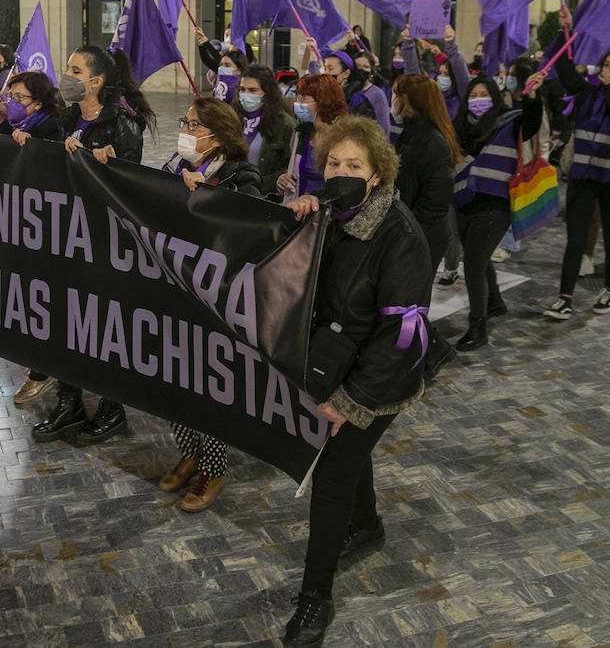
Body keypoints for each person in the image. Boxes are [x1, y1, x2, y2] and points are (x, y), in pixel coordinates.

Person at [279, 116, 437, 647]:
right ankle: (367, 526)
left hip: (378, 378)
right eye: (333, 164)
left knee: (330, 475)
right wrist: (296, 220)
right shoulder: (328, 212)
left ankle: (314, 596)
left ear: (377, 175)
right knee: (350, 458)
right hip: (333, 361)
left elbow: (401, 335)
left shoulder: (399, 235)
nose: (340, 173)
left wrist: (352, 402)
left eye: (354, 166)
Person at [33, 46, 153, 445]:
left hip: (103, 242)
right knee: (63, 322)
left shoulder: (122, 123)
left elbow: (129, 190)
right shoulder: (66, 117)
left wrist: (104, 164)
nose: (66, 75)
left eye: (74, 69)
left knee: (101, 326)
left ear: (96, 82)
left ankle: (111, 407)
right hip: (65, 235)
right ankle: (69, 402)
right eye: (67, 67)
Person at [158, 98, 260, 513]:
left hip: (215, 302)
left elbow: (247, 230)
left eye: (193, 124)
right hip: (174, 291)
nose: (185, 129)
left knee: (207, 389)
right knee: (172, 382)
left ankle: (214, 469)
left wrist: (207, 200)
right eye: (185, 121)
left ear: (218, 137)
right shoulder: (174, 165)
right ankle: (189, 451)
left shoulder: (242, 174)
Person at [544, 18, 610, 320]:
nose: (609, 68)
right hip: (584, 177)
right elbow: (563, 69)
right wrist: (564, 32)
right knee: (575, 239)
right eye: (606, 63)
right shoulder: (588, 93)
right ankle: (564, 297)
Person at [451, 73, 546, 349]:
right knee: (477, 258)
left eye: (484, 95)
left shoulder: (510, 121)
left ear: (494, 97)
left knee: (473, 265)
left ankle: (478, 327)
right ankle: (494, 302)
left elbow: (531, 124)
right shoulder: (458, 127)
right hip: (464, 201)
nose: (478, 100)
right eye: (473, 95)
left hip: (495, 203)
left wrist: (532, 98)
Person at [0, 71, 68, 405]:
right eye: (10, 96)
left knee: (45, 297)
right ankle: (39, 359)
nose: (11, 103)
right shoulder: (15, 127)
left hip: (48, 228)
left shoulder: (50, 129)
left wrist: (32, 150)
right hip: (19, 224)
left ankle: (45, 369)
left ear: (38, 103)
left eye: (19, 98)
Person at [391, 74, 462, 285]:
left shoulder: (429, 140)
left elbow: (436, 200)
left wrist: (409, 228)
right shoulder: (412, 133)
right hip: (412, 230)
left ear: (410, 100)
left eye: (396, 95)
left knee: (411, 302)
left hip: (422, 234)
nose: (392, 101)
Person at [276, 73, 347, 201]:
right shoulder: (301, 134)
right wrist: (283, 180)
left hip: (328, 210)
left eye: (303, 99)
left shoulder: (343, 139)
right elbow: (293, 173)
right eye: (297, 97)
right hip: (299, 207)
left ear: (322, 101)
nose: (297, 103)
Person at [234, 64, 297, 195]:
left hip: (263, 195)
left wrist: (277, 180)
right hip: (233, 192)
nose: (246, 95)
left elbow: (290, 167)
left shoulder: (284, 125)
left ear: (266, 93)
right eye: (242, 89)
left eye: (252, 90)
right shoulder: (233, 118)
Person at [324, 50, 390, 135]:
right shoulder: (346, 89)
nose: (361, 70)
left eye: (366, 67)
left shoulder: (377, 93)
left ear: (372, 70)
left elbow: (383, 125)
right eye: (358, 66)